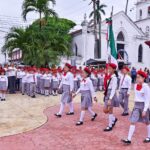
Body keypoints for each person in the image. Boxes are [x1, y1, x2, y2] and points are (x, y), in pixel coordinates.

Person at [121, 70, 150, 145]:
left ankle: (149, 136)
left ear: (143, 78)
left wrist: (145, 110)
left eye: (139, 77)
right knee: (133, 121)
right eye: (137, 77)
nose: (137, 79)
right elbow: (137, 97)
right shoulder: (135, 85)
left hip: (143, 106)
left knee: (147, 122)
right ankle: (129, 139)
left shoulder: (146, 87)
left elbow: (147, 100)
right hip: (136, 106)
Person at [103, 63, 119, 132]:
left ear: (114, 69)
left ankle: (110, 125)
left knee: (109, 110)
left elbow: (113, 89)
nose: (108, 69)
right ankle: (113, 119)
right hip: (107, 93)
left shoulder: (114, 78)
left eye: (110, 68)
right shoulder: (109, 76)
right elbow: (106, 84)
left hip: (111, 95)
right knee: (105, 110)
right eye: (108, 68)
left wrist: (110, 98)